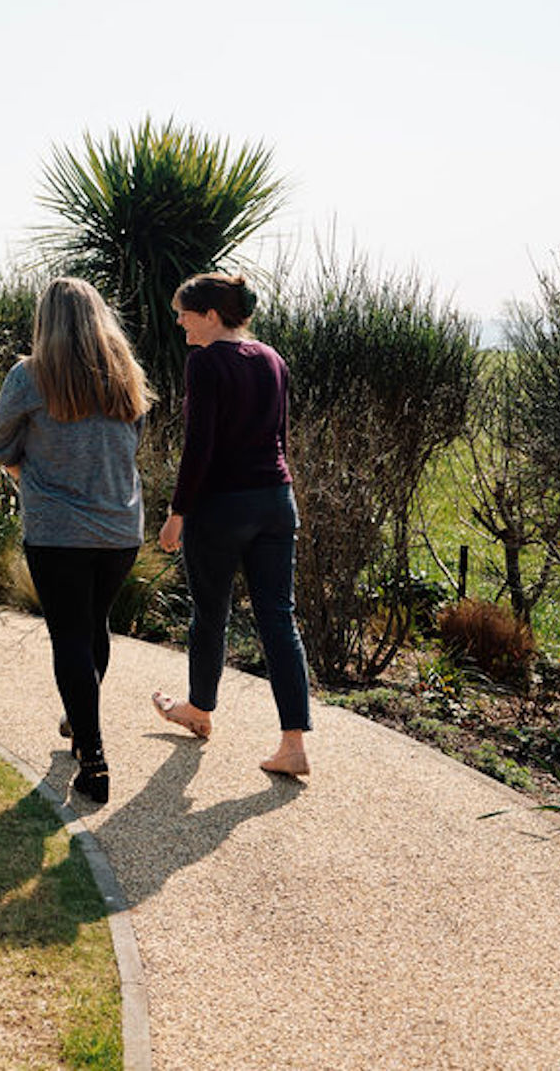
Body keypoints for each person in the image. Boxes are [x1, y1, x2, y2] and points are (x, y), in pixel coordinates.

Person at [0, 277, 151, 804]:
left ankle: (94, 753)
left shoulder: (30, 375)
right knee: (92, 626)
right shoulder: (125, 372)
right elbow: (134, 440)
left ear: (46, 320)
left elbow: (0, 446)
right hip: (120, 528)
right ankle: (82, 727)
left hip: (58, 529)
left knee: (70, 637)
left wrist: (29, 478)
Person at [151, 272, 312, 777]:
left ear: (212, 315)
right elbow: (280, 438)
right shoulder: (272, 358)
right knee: (278, 619)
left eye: (185, 314)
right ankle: (293, 745)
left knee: (210, 613)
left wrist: (177, 515)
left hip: (221, 507)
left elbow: (199, 446)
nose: (180, 324)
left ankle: (199, 711)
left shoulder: (205, 362)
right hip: (275, 501)